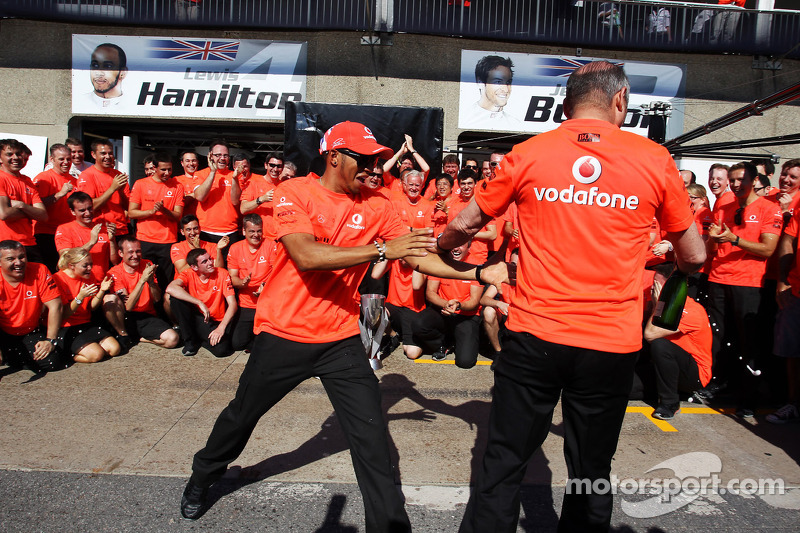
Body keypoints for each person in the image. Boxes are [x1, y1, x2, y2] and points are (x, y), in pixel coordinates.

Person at [179, 120, 488, 529]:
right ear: (334, 156)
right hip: (284, 333)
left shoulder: (378, 203)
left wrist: (478, 275)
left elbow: (414, 256)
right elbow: (306, 256)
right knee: (242, 417)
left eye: (378, 159)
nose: (373, 167)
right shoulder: (296, 192)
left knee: (373, 439)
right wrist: (380, 249)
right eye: (364, 158)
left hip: (340, 338)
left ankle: (390, 526)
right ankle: (203, 477)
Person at [438, 61, 705, 532]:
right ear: (619, 100)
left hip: (535, 335)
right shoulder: (654, 159)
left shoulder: (528, 153)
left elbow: (464, 223)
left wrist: (441, 249)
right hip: (609, 342)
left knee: (502, 464)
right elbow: (694, 255)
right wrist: (680, 267)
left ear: (568, 102)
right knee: (590, 471)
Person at [704, 162, 781, 416]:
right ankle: (719, 385)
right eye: (733, 180)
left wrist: (734, 239)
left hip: (749, 283)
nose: (736, 185)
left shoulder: (769, 208)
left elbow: (768, 250)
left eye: (741, 180)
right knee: (719, 339)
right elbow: (712, 249)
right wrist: (713, 240)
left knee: (750, 342)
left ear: (754, 180)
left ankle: (749, 396)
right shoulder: (723, 207)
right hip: (718, 279)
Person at [643, 264, 713, 420]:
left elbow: (649, 334)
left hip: (695, 375)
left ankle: (670, 403)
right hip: (669, 366)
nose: (653, 289)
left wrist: (657, 305)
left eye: (657, 284)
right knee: (628, 388)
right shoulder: (664, 303)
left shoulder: (690, 310)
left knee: (659, 344)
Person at [0, 240, 66, 372]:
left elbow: (55, 305)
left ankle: (14, 358)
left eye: (21, 257)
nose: (18, 262)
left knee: (52, 363)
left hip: (29, 330)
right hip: (3, 331)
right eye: (10, 259)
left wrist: (50, 341)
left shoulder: (39, 270)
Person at [416, 240, 483, 367]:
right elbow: (430, 293)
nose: (456, 248)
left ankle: (461, 341)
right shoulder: (441, 261)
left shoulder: (476, 265)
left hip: (466, 314)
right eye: (453, 245)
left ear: (469, 247)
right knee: (419, 325)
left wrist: (458, 305)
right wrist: (446, 304)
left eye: (461, 244)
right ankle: (444, 343)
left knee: (465, 362)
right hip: (442, 309)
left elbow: (474, 302)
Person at [108, 235, 179, 349]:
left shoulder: (147, 264)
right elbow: (128, 306)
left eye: (138, 251)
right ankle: (123, 334)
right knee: (109, 299)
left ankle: (139, 338)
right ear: (120, 253)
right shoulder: (115, 272)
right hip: (126, 317)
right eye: (130, 252)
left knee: (172, 340)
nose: (135, 256)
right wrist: (142, 280)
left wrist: (151, 282)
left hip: (146, 316)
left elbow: (157, 299)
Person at [53, 247, 122, 363]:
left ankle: (86, 347)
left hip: (85, 323)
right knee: (96, 355)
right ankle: (67, 356)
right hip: (66, 327)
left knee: (114, 349)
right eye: (85, 266)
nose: (90, 268)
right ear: (71, 266)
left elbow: (92, 307)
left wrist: (102, 291)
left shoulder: (89, 276)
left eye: (91, 264)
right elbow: (63, 314)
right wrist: (80, 297)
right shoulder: (58, 279)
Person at [166, 248, 236, 358]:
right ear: (194, 267)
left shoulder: (222, 273)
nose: (210, 263)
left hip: (214, 320)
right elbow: (171, 288)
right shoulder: (188, 273)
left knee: (222, 350)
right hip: (198, 317)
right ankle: (190, 341)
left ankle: (198, 338)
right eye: (204, 261)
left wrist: (221, 328)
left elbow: (232, 304)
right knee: (175, 299)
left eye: (210, 259)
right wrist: (199, 302)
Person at [128, 152, 184, 288]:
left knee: (165, 280)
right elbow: (131, 212)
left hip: (167, 241)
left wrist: (164, 210)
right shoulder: (141, 184)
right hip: (145, 240)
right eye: (163, 169)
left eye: (169, 169)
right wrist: (151, 211)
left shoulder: (178, 186)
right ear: (154, 168)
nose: (167, 173)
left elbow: (178, 216)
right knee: (145, 280)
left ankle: (162, 308)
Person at [227, 214, 272, 352]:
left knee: (271, 341)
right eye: (252, 231)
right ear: (244, 231)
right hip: (246, 302)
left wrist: (265, 286)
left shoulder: (270, 245)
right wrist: (242, 283)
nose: (256, 235)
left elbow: (278, 273)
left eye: (259, 231)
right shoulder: (235, 248)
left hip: (267, 302)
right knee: (237, 343)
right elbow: (233, 277)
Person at [771, 206, 800, 423]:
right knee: (792, 352)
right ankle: (793, 403)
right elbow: (789, 240)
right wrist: (782, 279)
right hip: (796, 291)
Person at [0, 139, 47, 264]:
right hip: (5, 244)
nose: (16, 157)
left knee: (38, 280)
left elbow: (43, 216)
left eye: (19, 154)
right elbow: (4, 214)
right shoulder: (1, 179)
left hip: (28, 243)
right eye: (9, 154)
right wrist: (31, 212)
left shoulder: (28, 181)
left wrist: (22, 205)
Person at [33, 143, 77, 272]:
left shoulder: (74, 180)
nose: (66, 162)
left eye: (69, 159)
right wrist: (59, 194)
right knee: (50, 270)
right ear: (52, 159)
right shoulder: (43, 178)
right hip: (47, 233)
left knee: (66, 270)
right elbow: (35, 206)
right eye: (61, 159)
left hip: (68, 234)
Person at [55, 191, 118, 280]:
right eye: (82, 210)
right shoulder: (64, 229)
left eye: (90, 208)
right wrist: (91, 242)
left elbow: (115, 261)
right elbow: (65, 259)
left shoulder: (103, 229)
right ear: (72, 211)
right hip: (78, 285)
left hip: (100, 284)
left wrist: (112, 240)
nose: (88, 213)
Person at [193, 140, 240, 258]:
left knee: (229, 272)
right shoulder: (200, 174)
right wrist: (212, 172)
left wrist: (235, 179)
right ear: (210, 156)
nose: (222, 158)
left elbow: (235, 201)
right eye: (218, 155)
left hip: (230, 232)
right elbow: (200, 197)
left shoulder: (234, 175)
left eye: (225, 155)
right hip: (206, 232)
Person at [76, 139, 130, 236]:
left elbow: (128, 208)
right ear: (93, 155)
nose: (108, 157)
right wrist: (112, 189)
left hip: (120, 230)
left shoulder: (118, 175)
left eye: (110, 153)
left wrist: (121, 192)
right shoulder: (87, 175)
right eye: (103, 153)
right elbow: (87, 207)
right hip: (99, 230)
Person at [462, 55, 521, 130]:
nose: (506, 89)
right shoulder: (465, 118)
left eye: (508, 82)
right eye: (498, 82)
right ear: (481, 83)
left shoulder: (515, 124)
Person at [239, 154, 278, 241]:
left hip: (279, 238)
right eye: (272, 165)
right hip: (259, 237)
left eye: (278, 166)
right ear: (265, 165)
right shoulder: (253, 182)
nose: (275, 169)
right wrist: (261, 199)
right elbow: (243, 209)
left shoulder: (284, 185)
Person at [84, 43, 128, 108]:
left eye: (108, 66)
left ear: (122, 73)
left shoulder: (131, 105)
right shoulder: (80, 102)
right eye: (95, 65)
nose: (99, 73)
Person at [175, 150, 202, 217]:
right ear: (182, 163)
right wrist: (198, 193)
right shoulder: (176, 181)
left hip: (203, 221)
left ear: (197, 162)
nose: (191, 163)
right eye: (187, 161)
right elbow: (179, 203)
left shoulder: (205, 178)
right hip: (185, 221)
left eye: (193, 160)